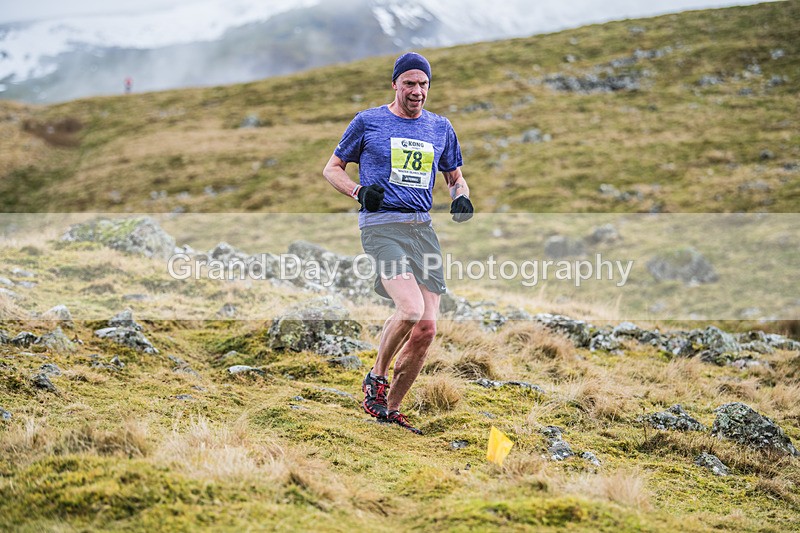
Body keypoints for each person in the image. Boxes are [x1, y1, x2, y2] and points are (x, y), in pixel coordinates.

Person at [323, 52, 474, 434]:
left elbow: (455, 176)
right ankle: (376, 378)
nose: (417, 91)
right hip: (382, 227)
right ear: (395, 84)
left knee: (426, 328)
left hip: (422, 230)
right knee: (409, 309)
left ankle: (389, 410)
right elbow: (332, 169)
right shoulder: (369, 121)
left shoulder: (440, 128)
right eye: (409, 83)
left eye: (423, 84)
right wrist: (359, 192)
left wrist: (460, 196)